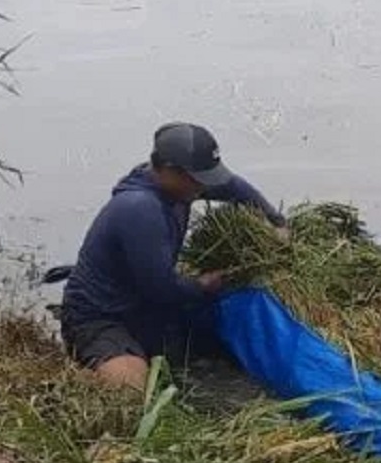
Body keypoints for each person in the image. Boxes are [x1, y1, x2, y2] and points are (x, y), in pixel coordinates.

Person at [60, 122, 287, 390]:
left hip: (146, 307)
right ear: (168, 170)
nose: (205, 187)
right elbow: (161, 289)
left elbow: (232, 186)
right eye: (199, 179)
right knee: (130, 388)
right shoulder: (140, 209)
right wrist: (204, 284)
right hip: (101, 317)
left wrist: (276, 221)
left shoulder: (181, 185)